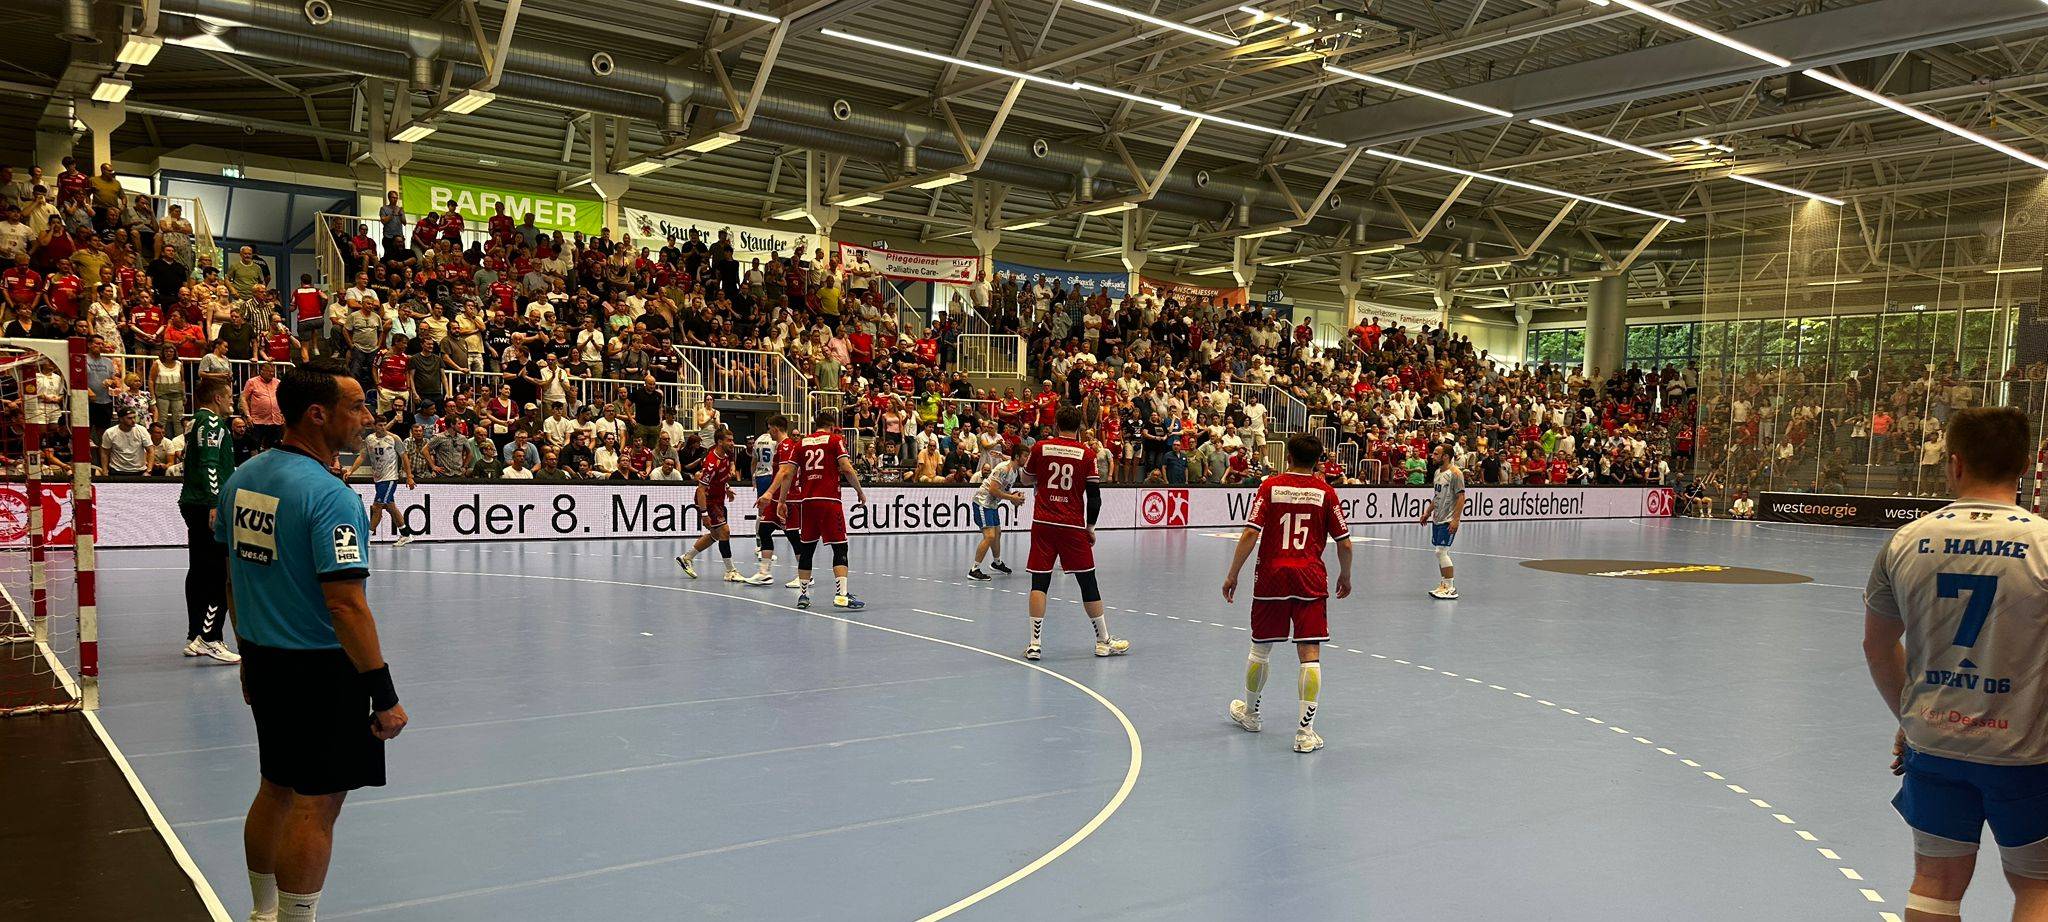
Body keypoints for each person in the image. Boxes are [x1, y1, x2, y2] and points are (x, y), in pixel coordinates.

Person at [216, 359, 406, 922]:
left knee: (274, 785)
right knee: (317, 804)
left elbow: (235, 576)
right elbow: (345, 604)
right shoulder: (333, 497)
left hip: (268, 662)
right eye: (356, 406)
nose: (366, 417)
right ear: (317, 413)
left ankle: (260, 912)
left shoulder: (243, 478)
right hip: (322, 670)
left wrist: (249, 657)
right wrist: (384, 692)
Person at [1862, 407, 2048, 921]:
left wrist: (1909, 719)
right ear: (2025, 466)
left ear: (1955, 462)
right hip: (2027, 750)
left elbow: (1877, 647)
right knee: (2038, 885)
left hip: (1936, 743)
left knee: (1935, 883)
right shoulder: (2044, 544)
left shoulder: (1905, 541)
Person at [1221, 434, 1353, 754]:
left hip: (1271, 577)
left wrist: (1232, 574)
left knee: (1260, 648)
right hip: (1309, 578)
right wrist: (1346, 575)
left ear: (1288, 455)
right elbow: (1345, 543)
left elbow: (1251, 533)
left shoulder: (1269, 487)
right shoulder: (1326, 492)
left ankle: (1251, 715)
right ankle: (1305, 732)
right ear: (1318, 459)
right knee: (1309, 653)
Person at [1023, 406, 1128, 661]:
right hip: (1072, 526)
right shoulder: (1087, 453)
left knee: (1040, 583)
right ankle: (1103, 641)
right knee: (1087, 582)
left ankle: (1035, 644)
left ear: (1056, 424)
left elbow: (1026, 479)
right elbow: (1094, 497)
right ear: (1080, 426)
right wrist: (1090, 528)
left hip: (1043, 523)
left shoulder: (1041, 447)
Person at [771, 408, 867, 610]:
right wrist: (859, 490)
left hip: (807, 503)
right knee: (840, 547)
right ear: (831, 426)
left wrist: (781, 501)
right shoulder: (834, 440)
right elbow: (847, 468)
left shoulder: (801, 443)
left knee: (806, 549)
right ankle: (841, 595)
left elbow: (787, 474)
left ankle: (803, 596)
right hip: (829, 501)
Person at [179, 377, 238, 662]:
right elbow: (210, 464)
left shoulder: (195, 423)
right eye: (228, 396)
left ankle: (194, 635)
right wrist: (216, 502)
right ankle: (211, 636)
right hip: (207, 505)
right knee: (219, 574)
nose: (232, 401)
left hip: (193, 504)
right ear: (217, 398)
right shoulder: (213, 424)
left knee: (199, 571)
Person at [677, 426, 743, 582]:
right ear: (720, 442)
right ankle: (730, 571)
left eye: (733, 440)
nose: (733, 443)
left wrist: (726, 487)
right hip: (709, 501)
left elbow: (721, 476)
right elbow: (700, 490)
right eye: (729, 440)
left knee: (715, 535)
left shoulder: (727, 454)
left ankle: (686, 558)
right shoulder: (711, 463)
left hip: (719, 499)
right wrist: (704, 513)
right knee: (724, 532)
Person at [346, 413, 415, 546]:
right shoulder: (369, 439)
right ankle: (406, 534)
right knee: (391, 507)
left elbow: (404, 457)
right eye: (380, 425)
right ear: (374, 426)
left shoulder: (394, 438)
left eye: (384, 425)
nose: (383, 428)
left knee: (377, 506)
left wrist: (409, 477)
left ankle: (367, 536)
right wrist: (351, 470)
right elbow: (362, 456)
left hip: (390, 478)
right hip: (378, 479)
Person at [746, 415, 795, 587]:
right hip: (777, 497)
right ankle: (764, 573)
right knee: (765, 529)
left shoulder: (787, 445)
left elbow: (783, 473)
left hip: (786, 497)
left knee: (793, 535)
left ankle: (806, 575)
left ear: (774, 428)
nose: (769, 432)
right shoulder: (780, 446)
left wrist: (768, 493)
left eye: (769, 429)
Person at [967, 441, 1025, 581]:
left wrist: (1013, 496)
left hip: (992, 504)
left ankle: (996, 562)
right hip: (982, 502)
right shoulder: (1003, 469)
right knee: (990, 536)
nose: (1027, 459)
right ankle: (974, 569)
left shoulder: (1014, 471)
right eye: (1025, 456)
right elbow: (993, 489)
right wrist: (1011, 497)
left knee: (997, 533)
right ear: (1017, 456)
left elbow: (1003, 490)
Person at [1418, 443, 1465, 600]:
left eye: (1436, 454)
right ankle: (1444, 584)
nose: (1433, 456)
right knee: (1440, 553)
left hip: (1448, 519)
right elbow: (1437, 496)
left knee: (1441, 551)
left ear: (1445, 456)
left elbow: (1461, 497)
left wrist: (1456, 519)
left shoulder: (1456, 474)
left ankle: (1450, 587)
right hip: (1437, 518)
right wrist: (1427, 512)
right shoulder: (1438, 472)